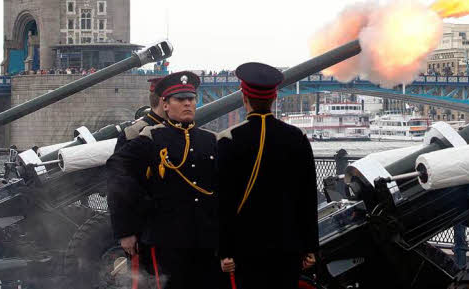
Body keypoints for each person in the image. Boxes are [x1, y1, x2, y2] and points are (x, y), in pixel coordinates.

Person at [107, 72, 220, 289]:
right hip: (167, 241)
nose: (187, 103)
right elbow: (117, 171)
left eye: (191, 99)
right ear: (165, 105)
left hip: (206, 241)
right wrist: (132, 221)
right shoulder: (151, 138)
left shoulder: (210, 140)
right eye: (180, 99)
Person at [216, 62, 318, 288]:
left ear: (244, 98)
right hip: (288, 246)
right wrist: (310, 246)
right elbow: (307, 197)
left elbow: (223, 202)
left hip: (245, 248)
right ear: (275, 98)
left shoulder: (228, 140)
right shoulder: (296, 137)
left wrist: (224, 251)